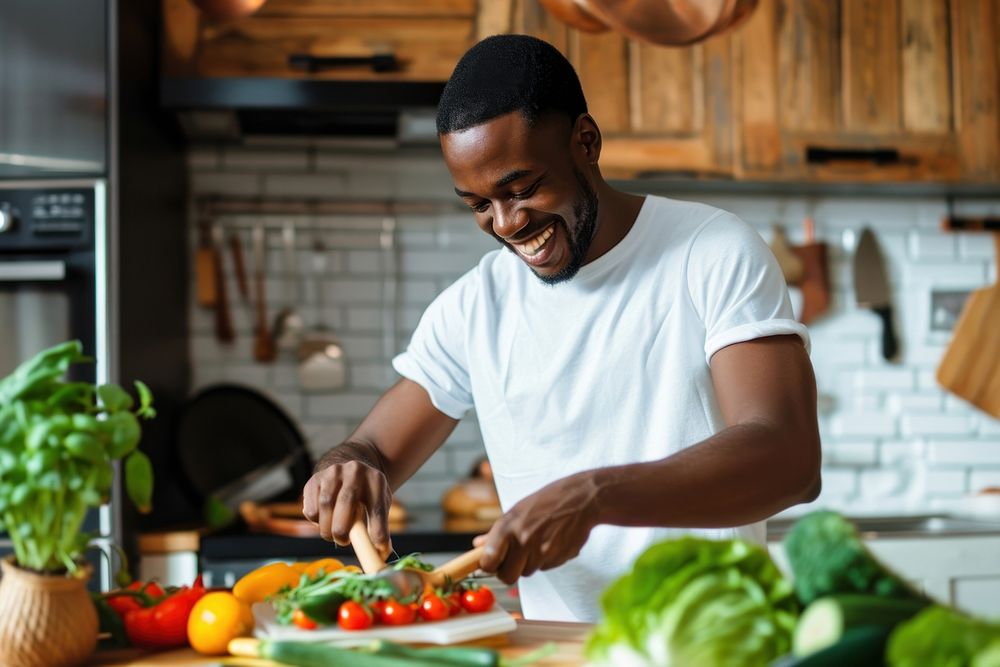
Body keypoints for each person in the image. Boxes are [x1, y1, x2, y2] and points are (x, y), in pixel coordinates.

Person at [302, 34, 821, 622]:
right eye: (478, 205)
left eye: (522, 189)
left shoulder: (712, 251)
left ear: (586, 142)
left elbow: (790, 459)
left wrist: (594, 497)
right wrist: (348, 466)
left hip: (708, 647)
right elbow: (373, 449)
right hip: (557, 654)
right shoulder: (476, 306)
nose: (506, 224)